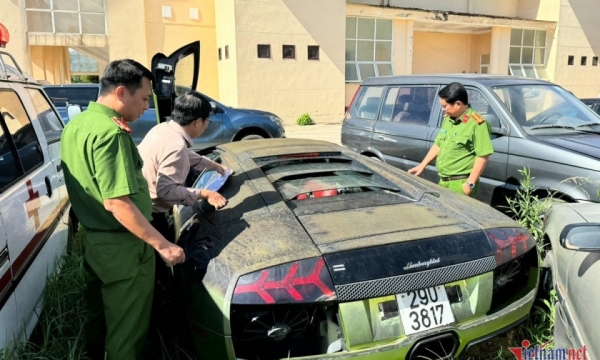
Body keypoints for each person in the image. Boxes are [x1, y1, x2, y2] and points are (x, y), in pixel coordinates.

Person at [61, 59, 185, 360]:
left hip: (94, 241)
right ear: (121, 93)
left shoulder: (77, 125)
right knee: (126, 331)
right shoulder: (111, 133)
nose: (146, 107)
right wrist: (163, 244)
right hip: (124, 248)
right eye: (143, 98)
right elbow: (118, 203)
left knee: (99, 319)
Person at [137, 90, 230, 353]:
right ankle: (161, 336)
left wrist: (214, 167)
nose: (207, 126)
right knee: (159, 280)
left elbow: (183, 157)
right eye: (208, 122)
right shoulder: (177, 146)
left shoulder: (164, 130)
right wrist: (203, 193)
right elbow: (165, 190)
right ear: (198, 122)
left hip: (143, 211)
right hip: (152, 218)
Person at [408, 82, 494, 197]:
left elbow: (483, 155)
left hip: (459, 183)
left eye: (445, 106)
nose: (443, 109)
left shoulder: (477, 124)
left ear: (458, 104)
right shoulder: (448, 119)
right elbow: (438, 144)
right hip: (443, 181)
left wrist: (470, 184)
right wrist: (422, 165)